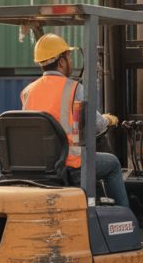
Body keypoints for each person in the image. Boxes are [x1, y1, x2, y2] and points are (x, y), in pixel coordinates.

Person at [21, 33, 129, 207]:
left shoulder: (28, 91)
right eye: (69, 56)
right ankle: (127, 218)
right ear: (62, 62)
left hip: (39, 166)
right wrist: (108, 120)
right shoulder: (74, 89)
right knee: (112, 164)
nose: (71, 61)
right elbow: (93, 125)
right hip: (70, 166)